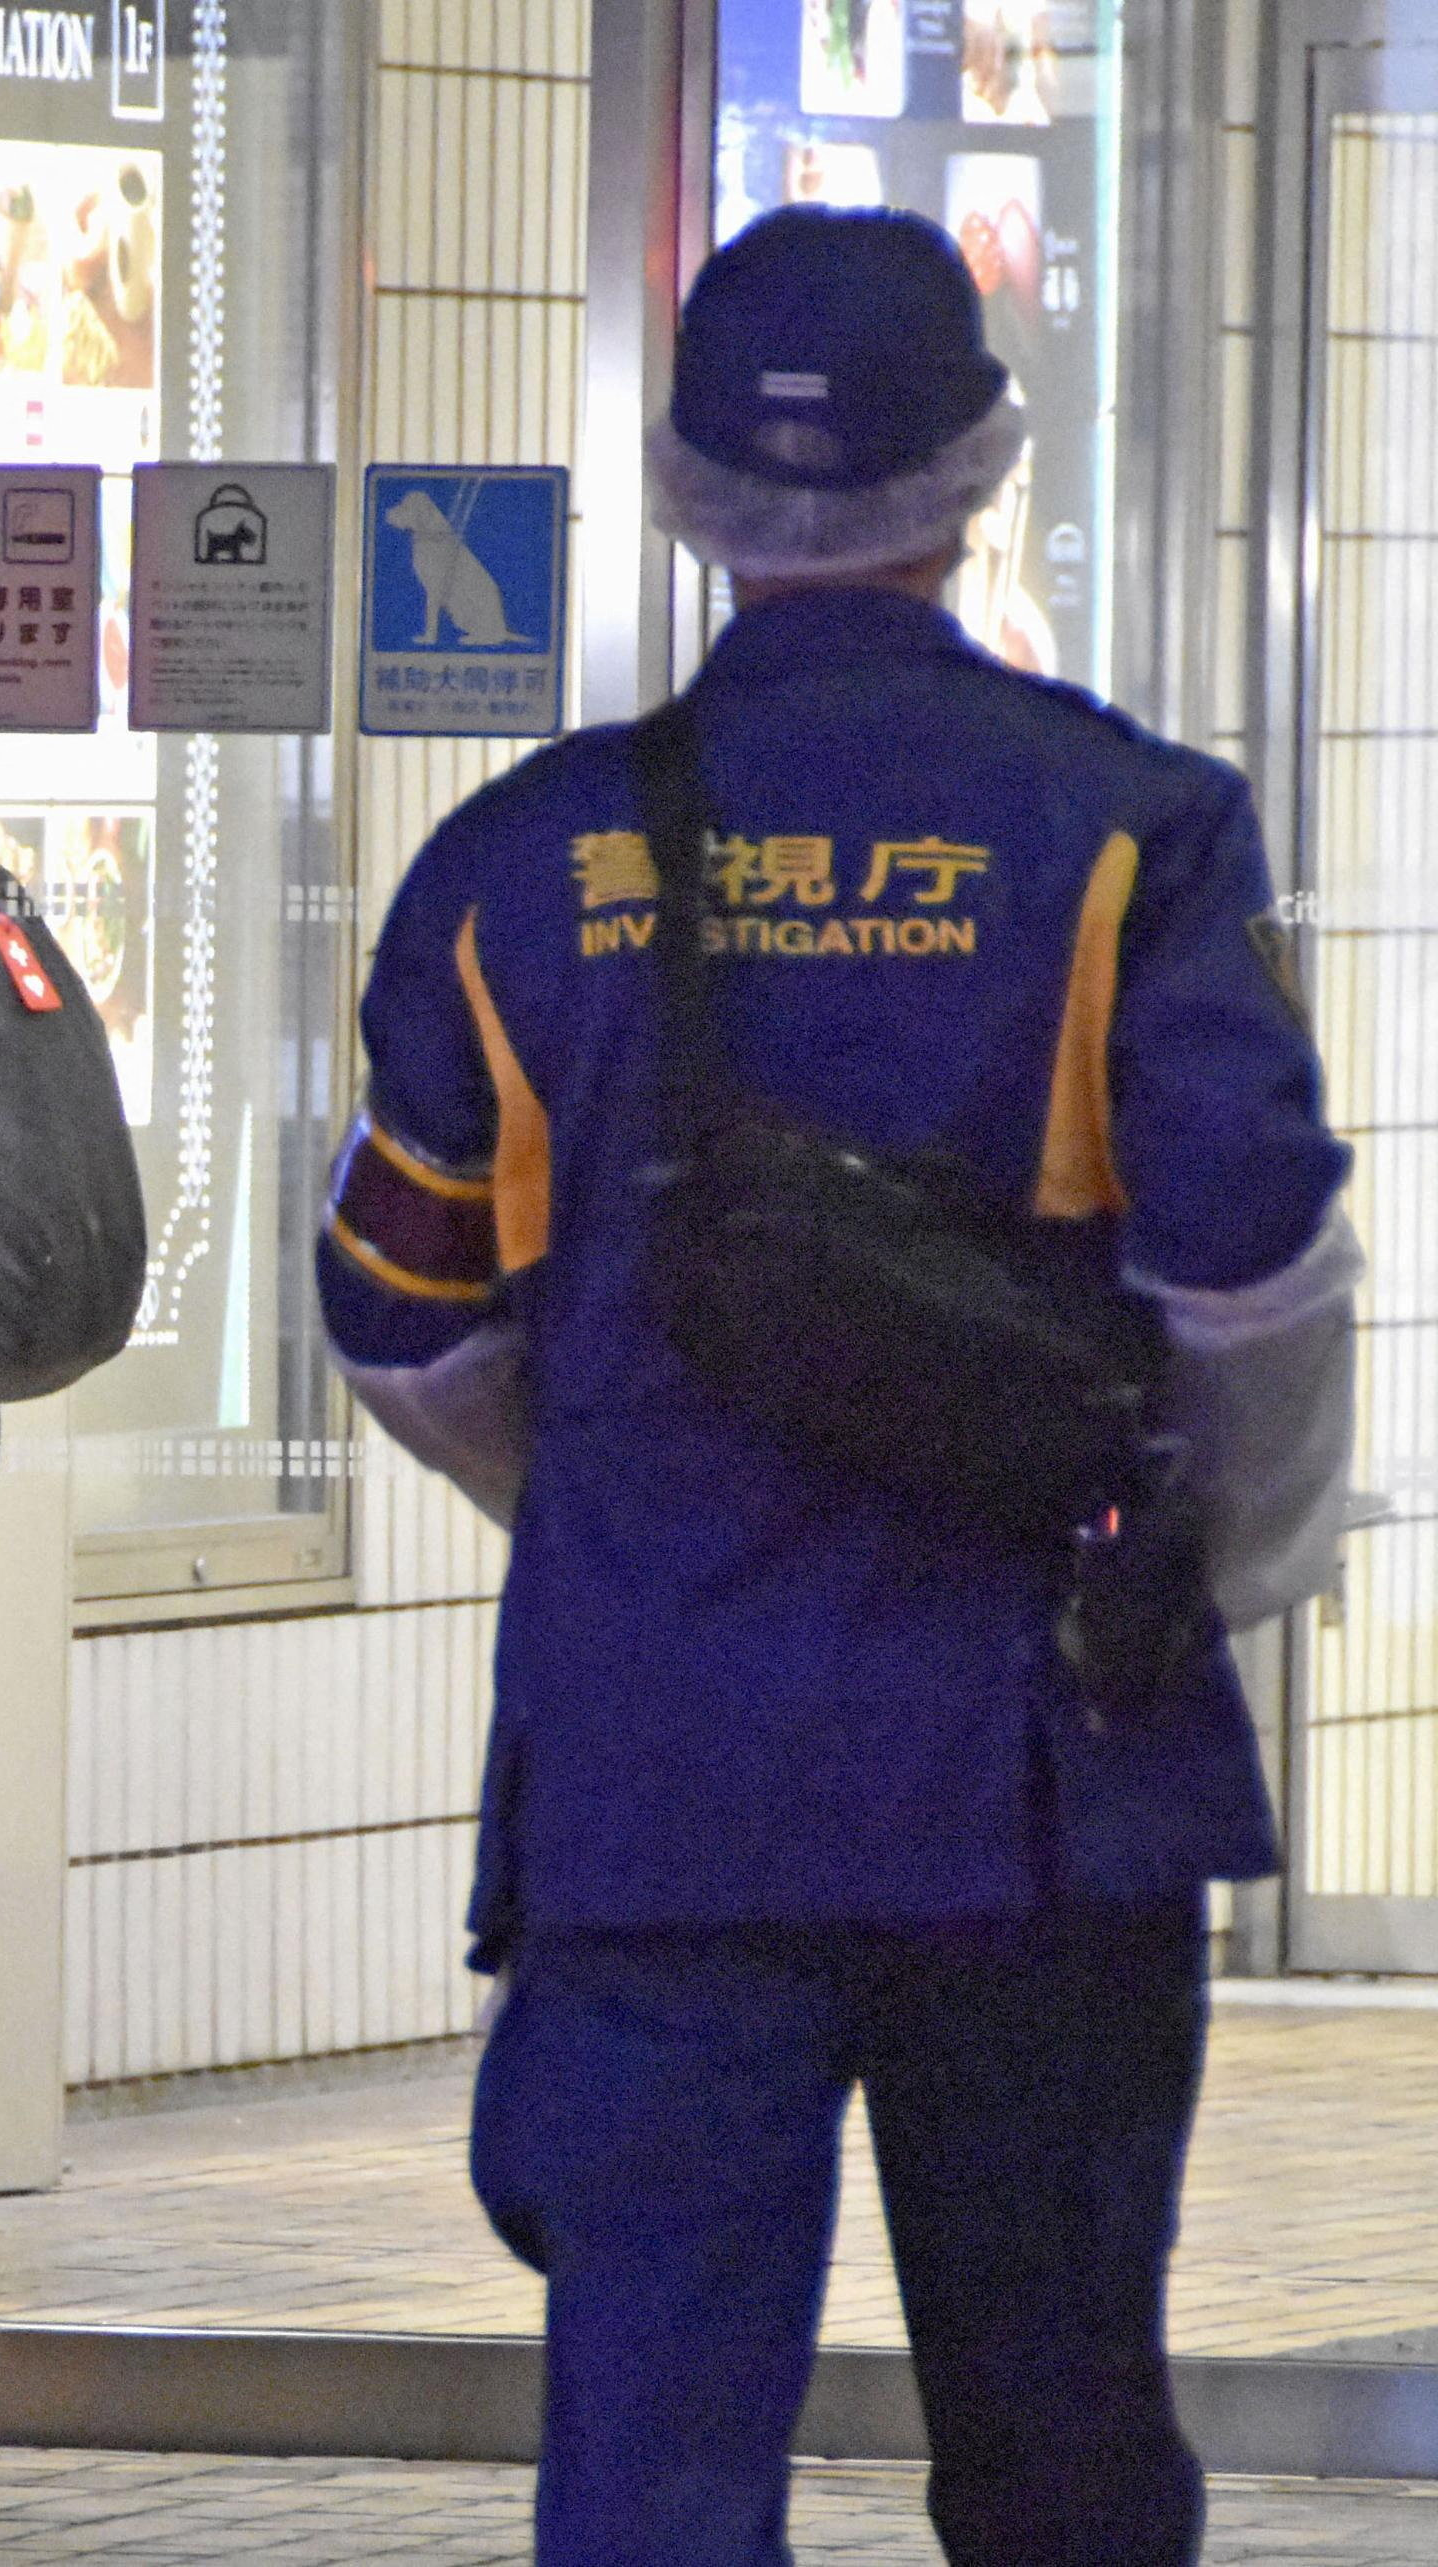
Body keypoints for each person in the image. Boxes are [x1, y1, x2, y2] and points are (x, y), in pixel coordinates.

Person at [319, 207, 1360, 2565]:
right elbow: (1255, 1276)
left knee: (657, 2467)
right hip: (1037, 1784)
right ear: (982, 470)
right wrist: (1222, 1561)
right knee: (1061, 2435)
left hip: (658, 1783)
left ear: (682, 487)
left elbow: (395, 1309)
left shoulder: (520, 864)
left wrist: (605, 1518)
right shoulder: (1128, 833)